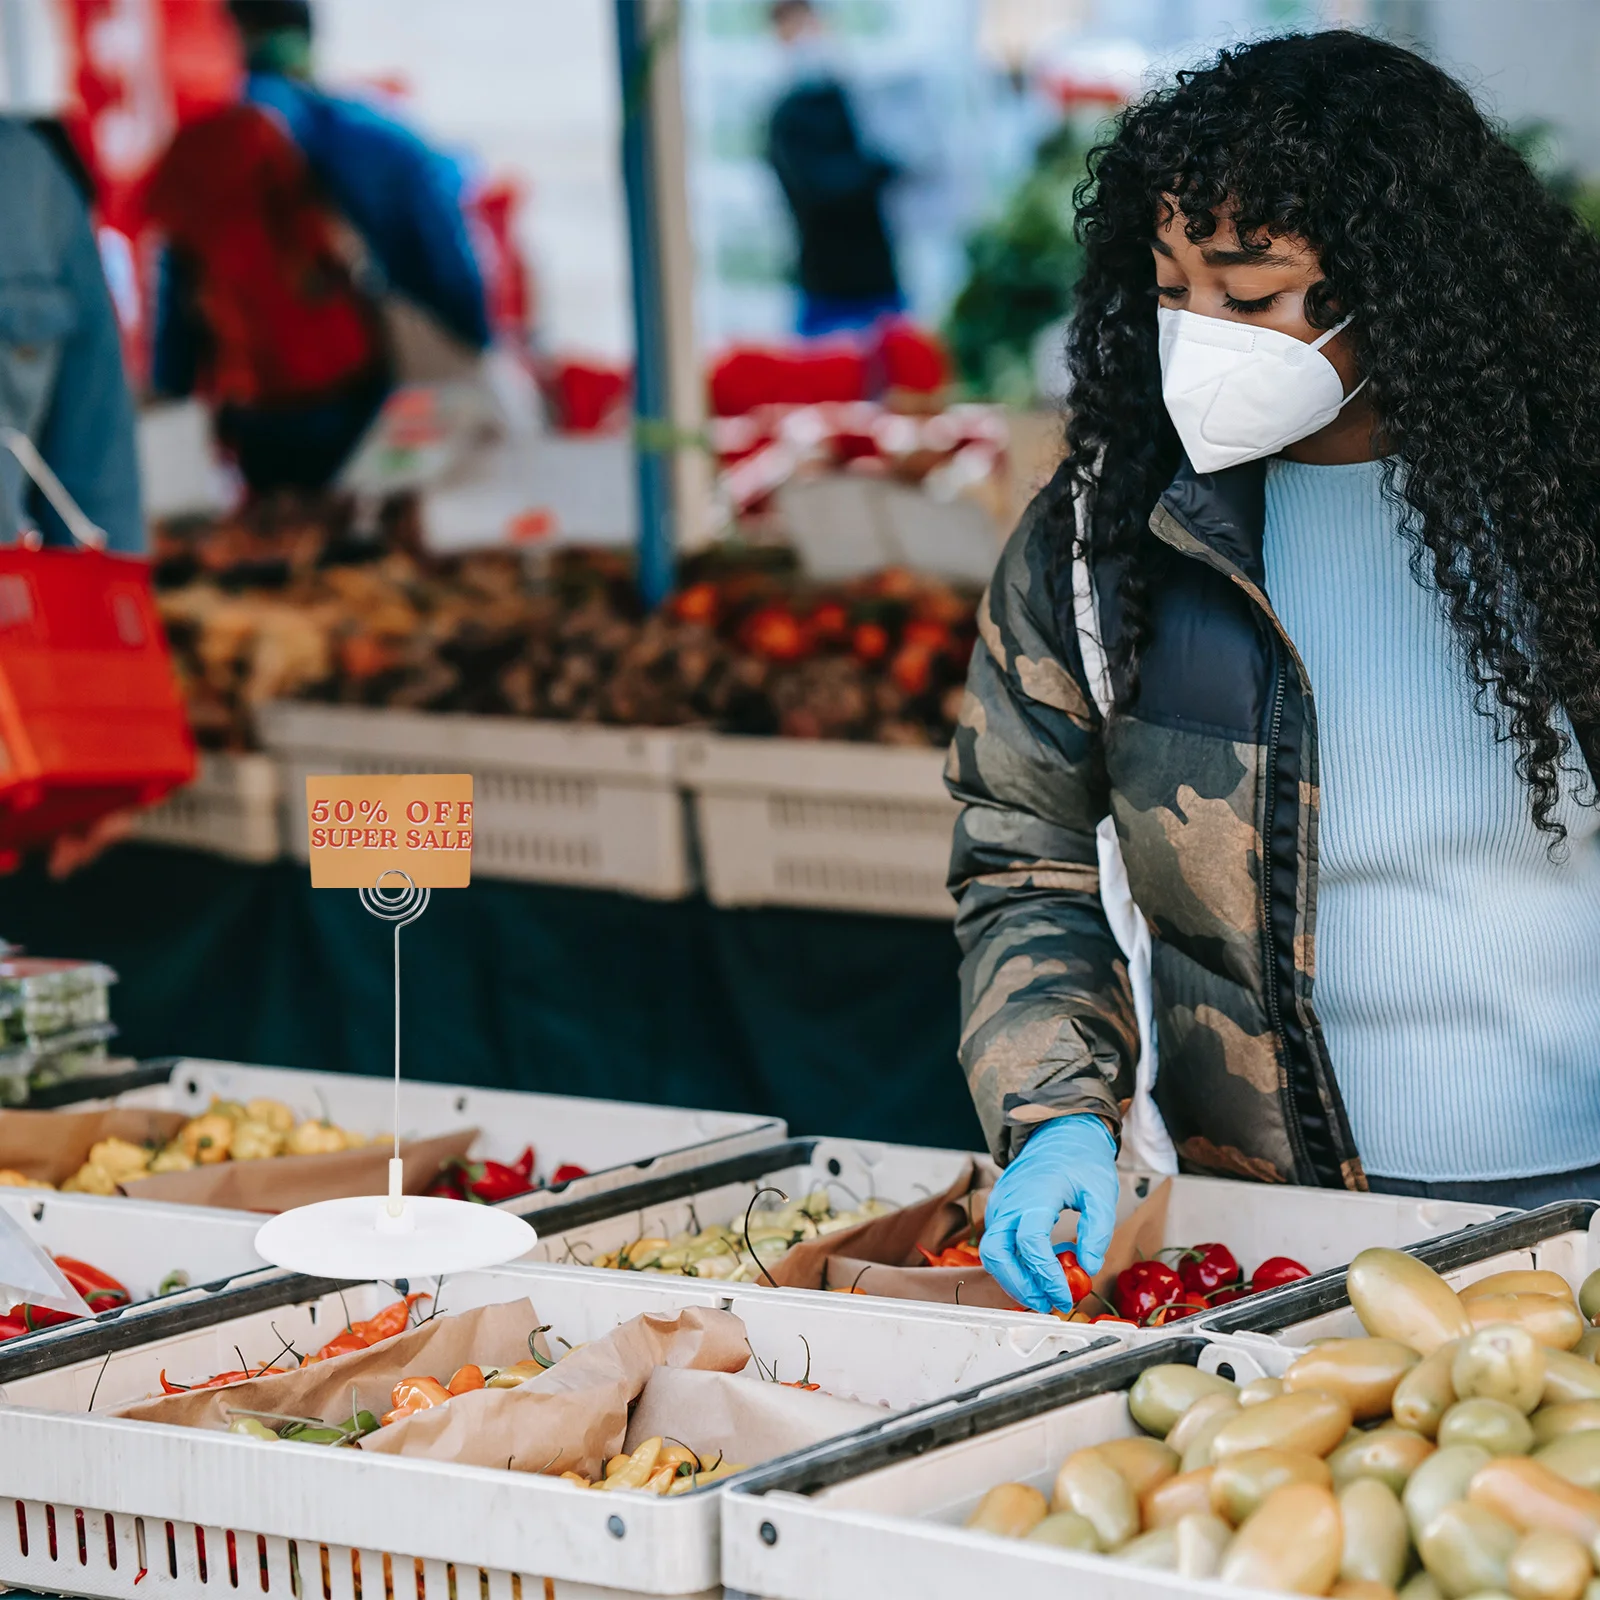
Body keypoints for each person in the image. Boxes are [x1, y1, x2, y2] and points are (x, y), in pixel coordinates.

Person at [952, 31, 1600, 1314]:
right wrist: (1056, 1115)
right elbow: (1020, 857)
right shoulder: (1100, 544)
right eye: (1170, 287)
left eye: (1251, 299)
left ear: (1405, 285)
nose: (1200, 337)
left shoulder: (1565, 514)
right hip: (1278, 1225)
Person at [148, 0, 490, 494]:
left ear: (235, 35)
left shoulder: (198, 151)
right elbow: (456, 279)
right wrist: (472, 339)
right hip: (369, 394)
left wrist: (177, 397)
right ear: (309, 34)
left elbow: (177, 309)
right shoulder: (375, 136)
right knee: (379, 535)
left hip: (256, 409)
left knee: (282, 543)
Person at [766, 0, 903, 338]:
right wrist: (873, 171)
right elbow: (819, 190)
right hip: (824, 288)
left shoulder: (852, 97)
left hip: (878, 280)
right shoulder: (786, 118)